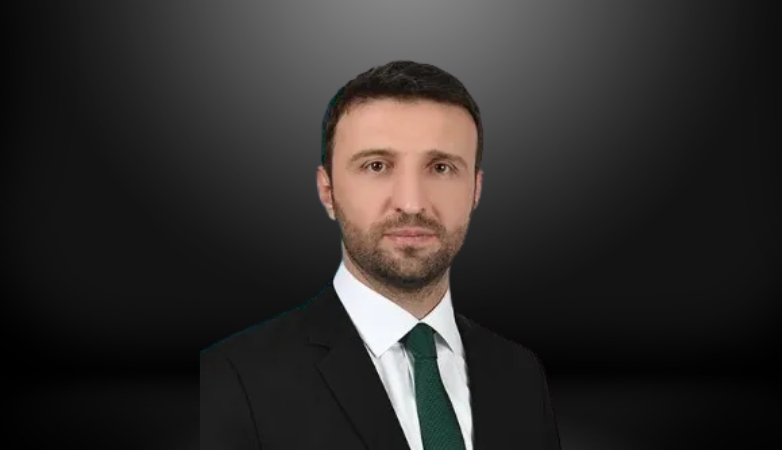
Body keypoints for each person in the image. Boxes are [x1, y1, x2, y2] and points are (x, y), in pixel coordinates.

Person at [200, 60, 561, 450]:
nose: (412, 203)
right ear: (327, 191)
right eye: (376, 166)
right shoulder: (229, 377)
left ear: (475, 189)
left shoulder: (522, 373)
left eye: (441, 168)